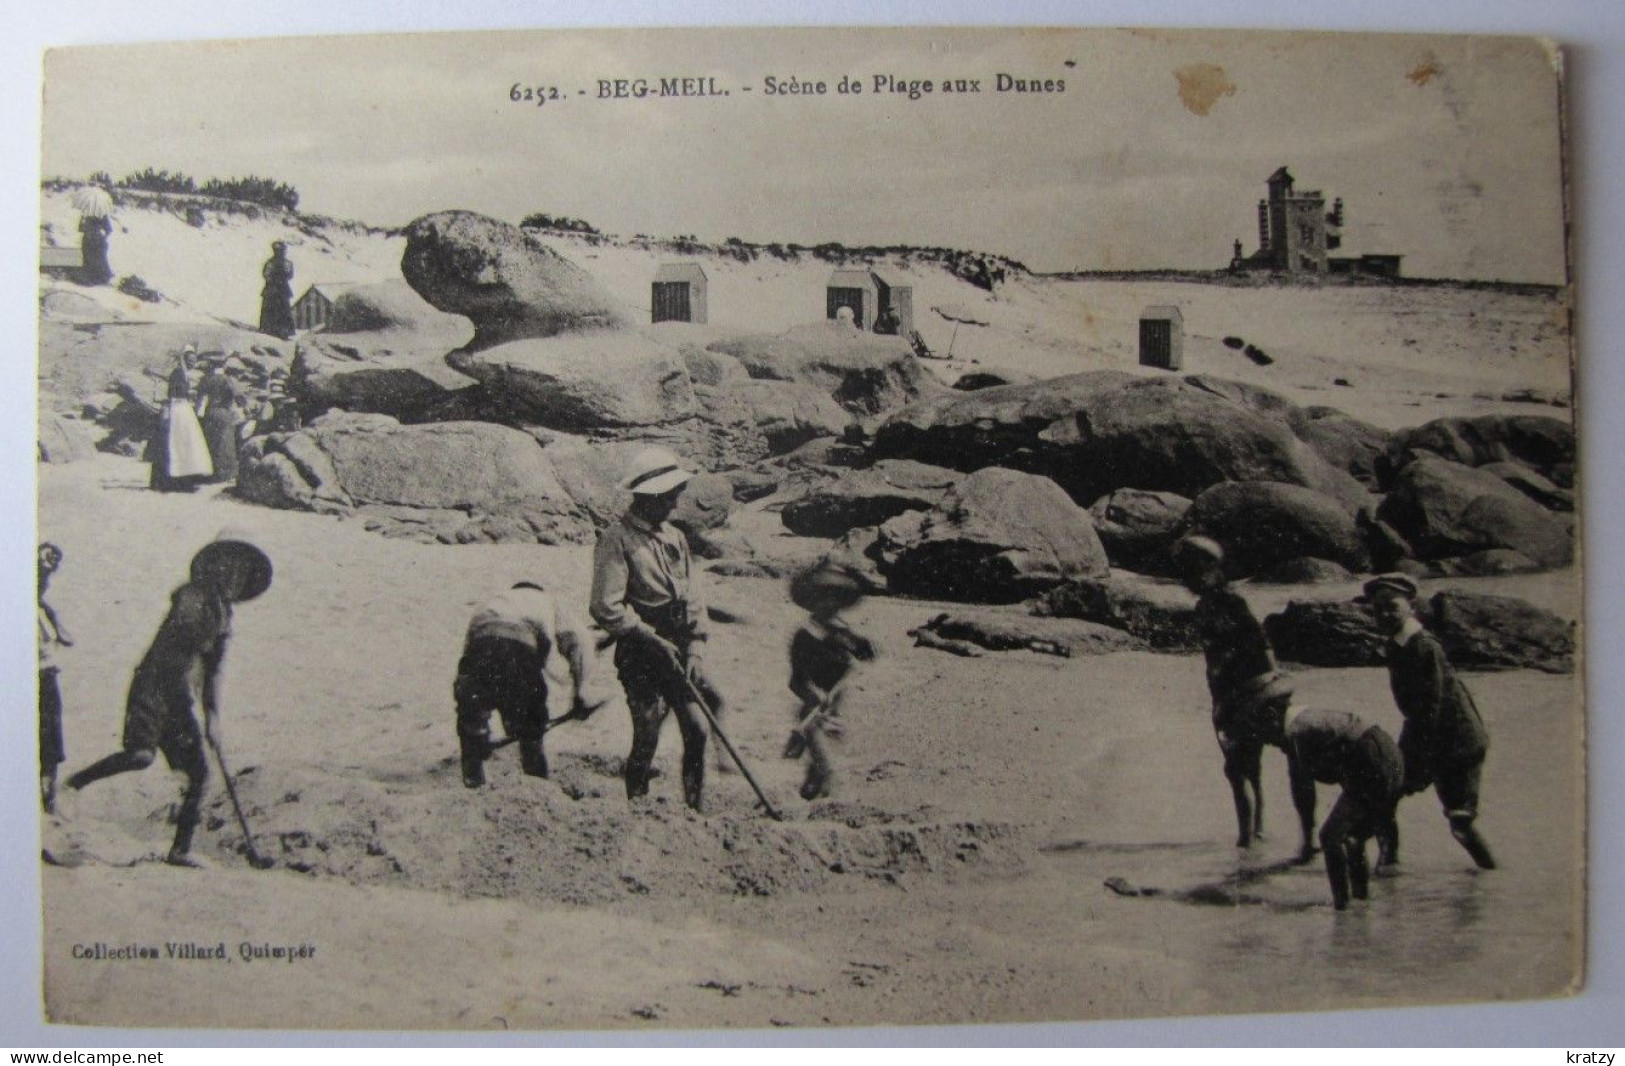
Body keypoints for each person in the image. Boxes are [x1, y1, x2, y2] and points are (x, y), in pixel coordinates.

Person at [65, 533, 272, 868]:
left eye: (243, 570)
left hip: (179, 701)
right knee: (140, 756)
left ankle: (181, 850)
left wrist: (213, 719)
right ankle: (74, 784)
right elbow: (184, 644)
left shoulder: (225, 617)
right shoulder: (192, 596)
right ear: (216, 566)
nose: (235, 574)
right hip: (153, 687)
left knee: (201, 775)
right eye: (230, 565)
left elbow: (214, 671)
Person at [590, 446, 726, 811]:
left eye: (676, 495)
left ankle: (695, 807)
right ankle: (638, 805)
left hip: (679, 643)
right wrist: (649, 638)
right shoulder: (616, 539)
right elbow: (605, 606)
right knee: (648, 732)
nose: (674, 504)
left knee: (696, 730)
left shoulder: (675, 537)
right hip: (641, 648)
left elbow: (693, 595)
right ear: (646, 497)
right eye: (668, 497)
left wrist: (695, 646)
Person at [1173, 536, 1315, 859]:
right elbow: (1261, 646)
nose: (1186, 579)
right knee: (1266, 762)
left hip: (1242, 696)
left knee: (1239, 769)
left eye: (1191, 571)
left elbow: (1241, 652)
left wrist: (1231, 699)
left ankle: (1247, 843)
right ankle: (1270, 833)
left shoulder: (1218, 604)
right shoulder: (1228, 602)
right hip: (1254, 691)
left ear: (1209, 570)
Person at [1360, 573, 1497, 870]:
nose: (1383, 614)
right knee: (1386, 792)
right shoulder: (1398, 643)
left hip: (1457, 743)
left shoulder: (1423, 646)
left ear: (1411, 605)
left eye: (1391, 606)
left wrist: (1409, 753)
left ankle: (1494, 878)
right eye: (1376, 608)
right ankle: (1389, 865)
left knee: (1460, 823)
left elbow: (1432, 706)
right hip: (1431, 737)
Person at [1226, 696, 1404, 911]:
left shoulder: (1294, 734)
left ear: (1273, 717)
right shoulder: (1306, 716)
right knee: (1353, 838)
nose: (1266, 740)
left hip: (1370, 758)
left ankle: (1342, 908)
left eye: (1264, 731)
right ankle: (1359, 908)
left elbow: (1311, 784)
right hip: (1391, 753)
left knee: (1330, 837)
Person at [455, 579, 615, 788]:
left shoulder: (492, 601)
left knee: (471, 722)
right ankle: (537, 785)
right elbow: (579, 641)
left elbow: (468, 652)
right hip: (520, 648)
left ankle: (473, 778)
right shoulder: (548, 600)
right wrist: (580, 692)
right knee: (531, 729)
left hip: (481, 645)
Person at [784, 563, 876, 800]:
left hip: (839, 710)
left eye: (835, 598)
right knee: (828, 768)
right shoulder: (805, 636)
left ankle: (809, 798)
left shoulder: (844, 633)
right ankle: (821, 806)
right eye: (822, 598)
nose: (829, 603)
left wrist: (863, 649)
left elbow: (863, 655)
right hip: (814, 712)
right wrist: (812, 692)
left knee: (818, 771)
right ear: (812, 601)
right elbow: (795, 680)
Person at [38, 543, 73, 814]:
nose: (44, 582)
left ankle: (49, 798)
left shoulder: (43, 608)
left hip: (46, 674)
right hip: (34, 676)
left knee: (51, 738)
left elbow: (66, 638)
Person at [149, 346, 213, 492]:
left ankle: (183, 476)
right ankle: (177, 477)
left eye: (194, 361)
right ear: (184, 360)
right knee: (180, 440)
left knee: (186, 440)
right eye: (190, 360)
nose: (192, 363)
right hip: (178, 407)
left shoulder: (183, 373)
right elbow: (174, 391)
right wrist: (189, 392)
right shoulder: (178, 372)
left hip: (183, 407)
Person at [195, 358, 244, 483]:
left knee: (210, 443)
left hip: (210, 413)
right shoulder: (228, 380)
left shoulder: (206, 379)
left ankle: (210, 473)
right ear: (224, 365)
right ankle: (225, 474)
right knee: (225, 444)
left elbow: (200, 399)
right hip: (224, 413)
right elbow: (240, 398)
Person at [259, 241, 296, 340]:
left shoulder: (283, 263)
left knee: (281, 310)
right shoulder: (273, 263)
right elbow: (266, 274)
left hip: (278, 289)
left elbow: (290, 275)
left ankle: (280, 330)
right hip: (275, 289)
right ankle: (271, 329)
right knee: (273, 309)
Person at [78, 212, 113, 286]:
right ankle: (96, 278)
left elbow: (80, 228)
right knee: (93, 259)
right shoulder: (88, 215)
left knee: (97, 260)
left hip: (94, 241)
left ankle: (97, 278)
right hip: (92, 240)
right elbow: (109, 230)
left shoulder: (89, 214)